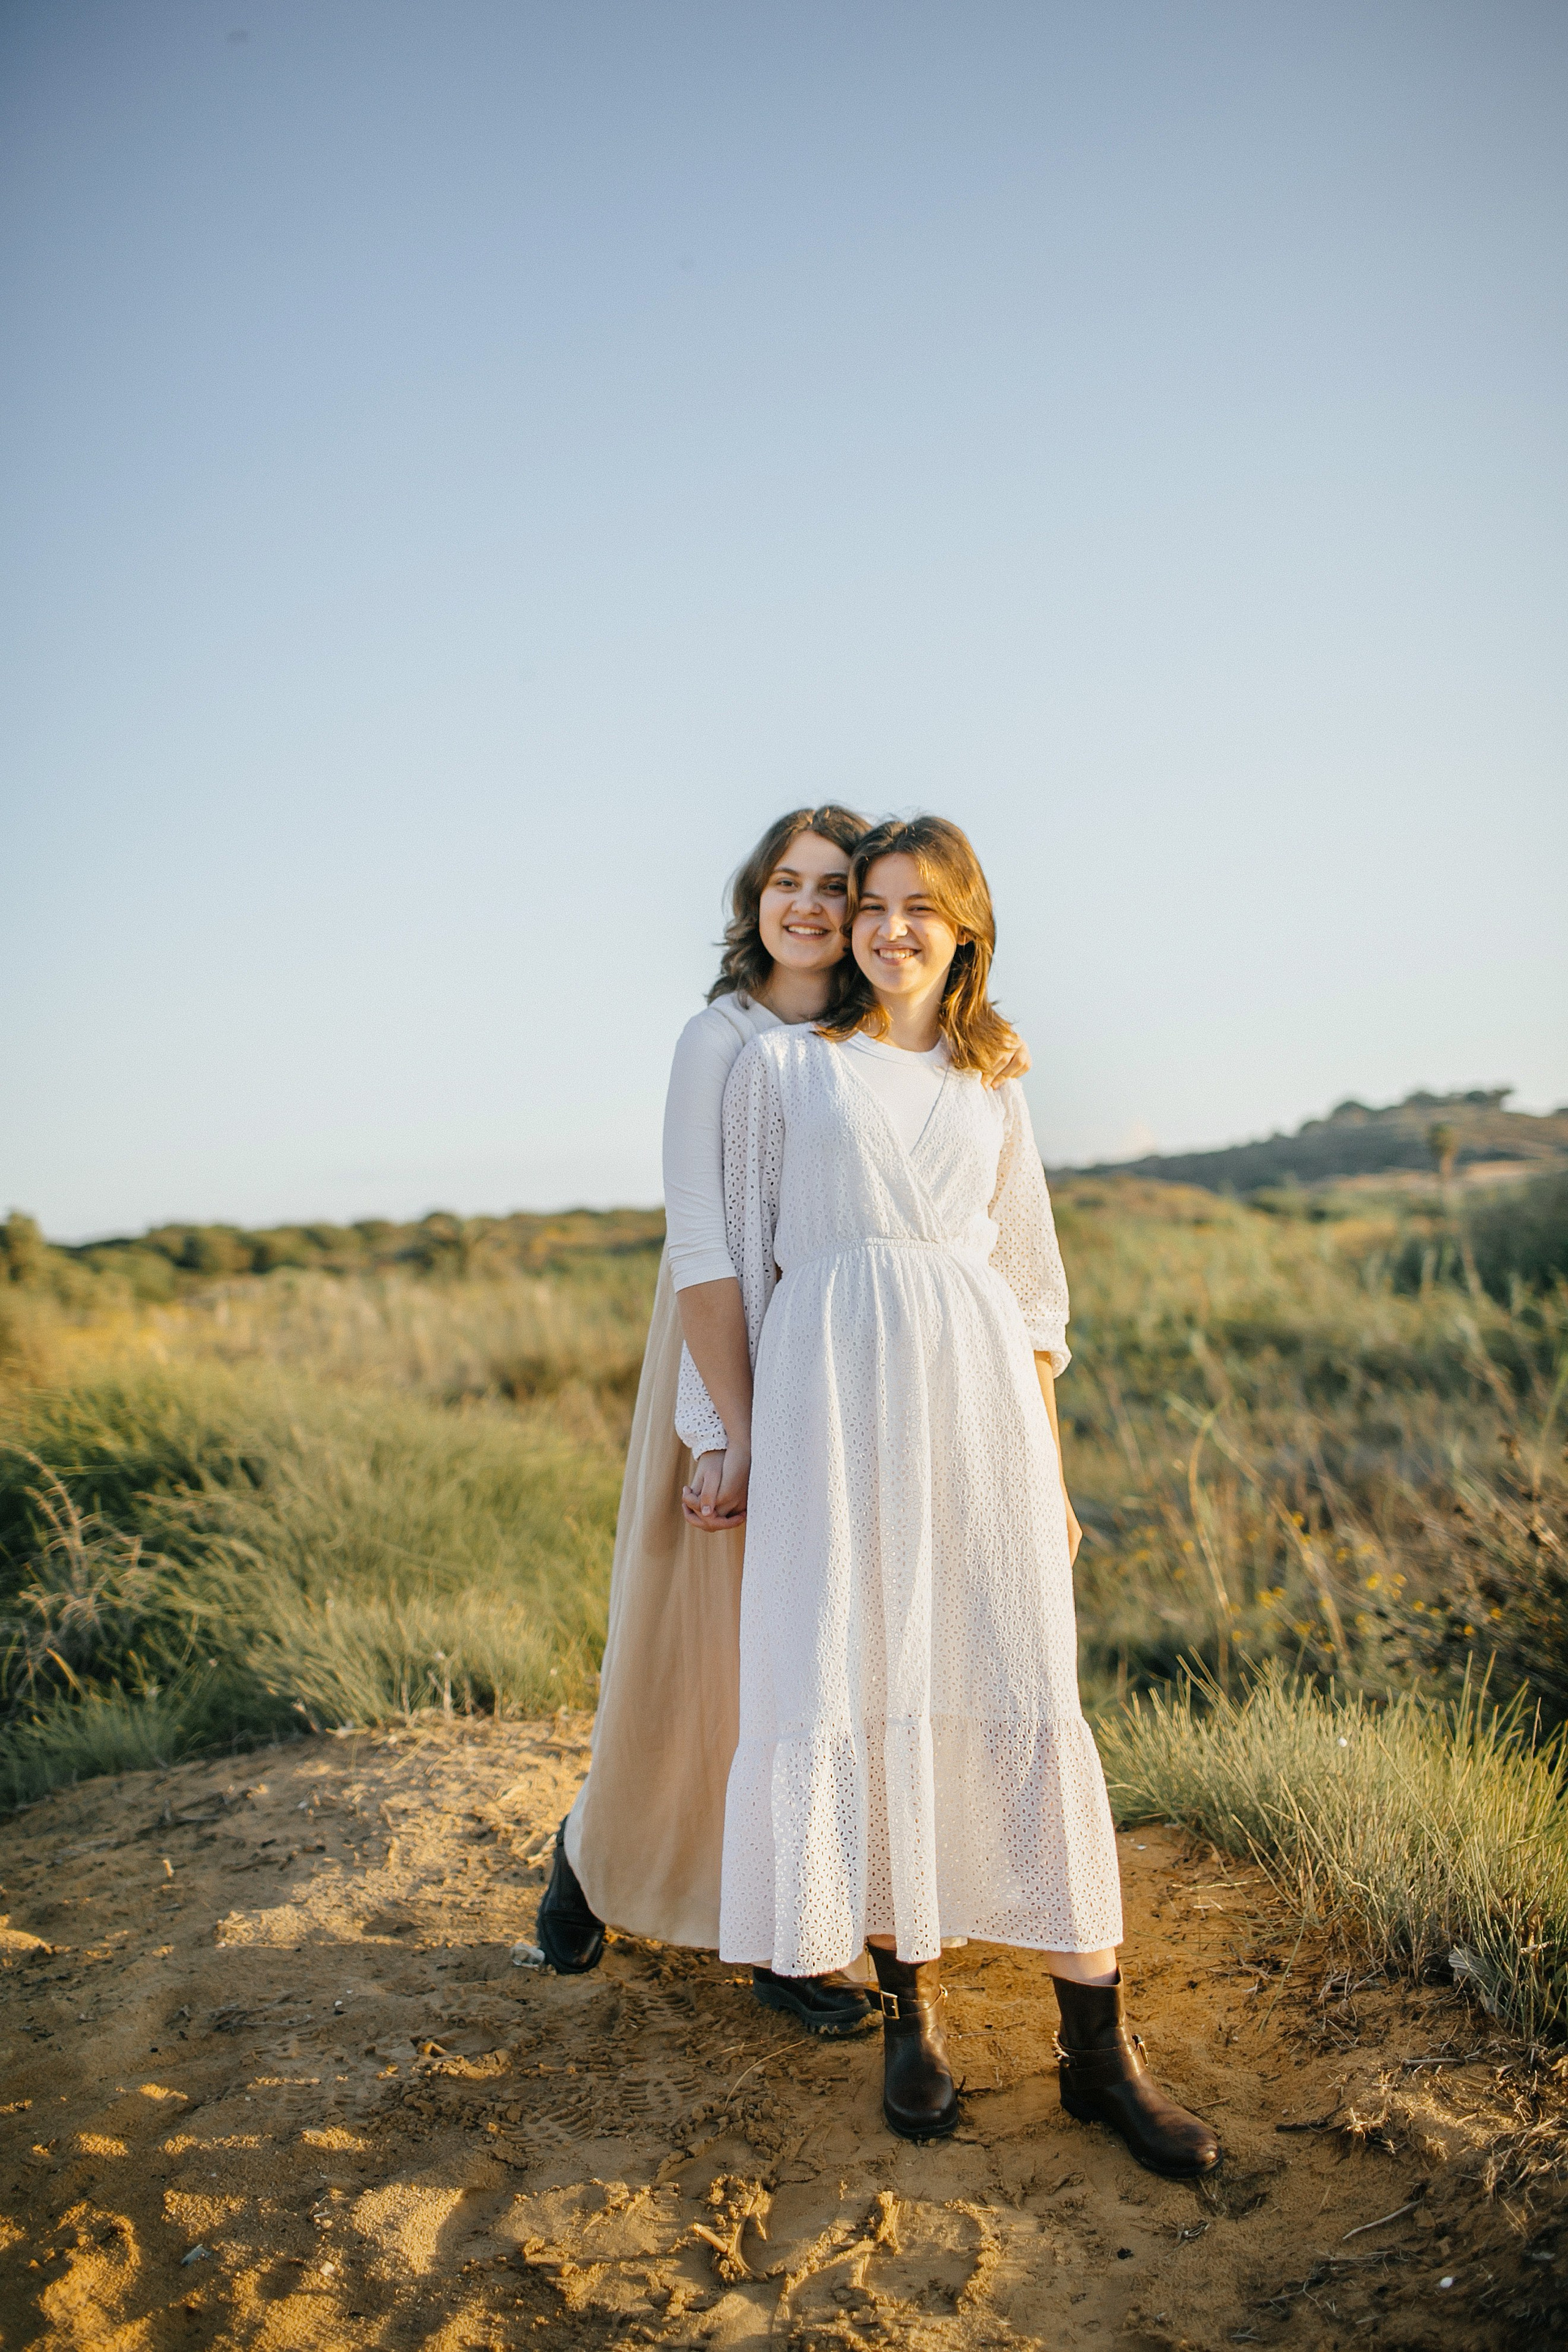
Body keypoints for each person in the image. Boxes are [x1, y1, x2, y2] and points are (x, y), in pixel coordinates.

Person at [674, 814, 1219, 2173]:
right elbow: (732, 1263)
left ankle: (1096, 2051)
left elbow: (1033, 1296)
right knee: (852, 1681)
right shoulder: (782, 1069)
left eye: (920, 907)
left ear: (964, 927)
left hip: (979, 1411)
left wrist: (1047, 1473)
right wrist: (723, 1432)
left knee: (1022, 1681)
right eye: (870, 903)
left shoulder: (995, 1080)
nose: (888, 927)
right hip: (827, 1411)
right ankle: (907, 2012)